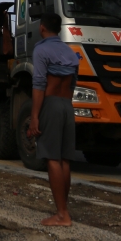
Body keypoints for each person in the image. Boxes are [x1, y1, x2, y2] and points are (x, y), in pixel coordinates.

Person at [26, 12, 80, 226]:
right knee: (65, 159)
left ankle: (61, 214)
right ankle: (64, 209)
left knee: (52, 158)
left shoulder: (41, 50)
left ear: (42, 28)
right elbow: (74, 83)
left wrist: (34, 116)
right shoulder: (71, 52)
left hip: (50, 105)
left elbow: (39, 84)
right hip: (67, 105)